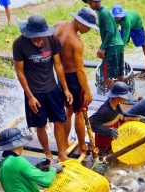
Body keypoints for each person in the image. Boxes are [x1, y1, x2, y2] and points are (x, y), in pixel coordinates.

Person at [13, 15, 73, 163]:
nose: (39, 42)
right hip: (34, 92)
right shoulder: (19, 44)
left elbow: (58, 65)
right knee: (40, 125)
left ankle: (61, 153)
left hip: (52, 89)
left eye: (41, 38)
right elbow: (20, 72)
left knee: (59, 121)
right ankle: (48, 155)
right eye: (35, 39)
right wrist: (30, 96)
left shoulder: (52, 39)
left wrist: (65, 88)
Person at [54, 7, 98, 155]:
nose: (89, 30)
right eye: (88, 27)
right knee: (80, 112)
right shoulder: (77, 42)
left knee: (68, 111)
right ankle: (82, 146)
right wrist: (87, 91)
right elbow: (80, 70)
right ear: (80, 22)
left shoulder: (58, 26)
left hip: (61, 77)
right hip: (73, 78)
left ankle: (65, 142)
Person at [0, 128, 63, 192]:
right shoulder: (18, 161)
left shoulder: (2, 167)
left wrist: (37, 167)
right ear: (20, 144)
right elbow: (46, 181)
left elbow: (19, 180)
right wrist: (53, 169)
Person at [89, 81, 145, 155]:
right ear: (119, 97)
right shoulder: (104, 110)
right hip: (103, 145)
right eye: (125, 97)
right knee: (104, 161)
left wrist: (138, 118)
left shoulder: (116, 105)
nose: (125, 99)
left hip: (112, 141)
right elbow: (90, 123)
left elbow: (123, 116)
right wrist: (108, 132)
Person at [84, 0, 125, 90]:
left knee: (106, 73)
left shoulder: (103, 13)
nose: (90, 5)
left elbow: (110, 32)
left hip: (112, 47)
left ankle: (112, 96)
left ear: (95, 2)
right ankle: (122, 93)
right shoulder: (104, 11)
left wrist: (102, 48)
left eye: (90, 3)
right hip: (118, 45)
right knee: (119, 72)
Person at [111, 5, 145, 70]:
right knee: (118, 43)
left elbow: (126, 36)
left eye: (119, 16)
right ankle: (118, 62)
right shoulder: (113, 18)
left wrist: (121, 46)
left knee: (142, 43)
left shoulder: (126, 20)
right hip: (125, 26)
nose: (118, 18)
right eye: (116, 16)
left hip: (136, 25)